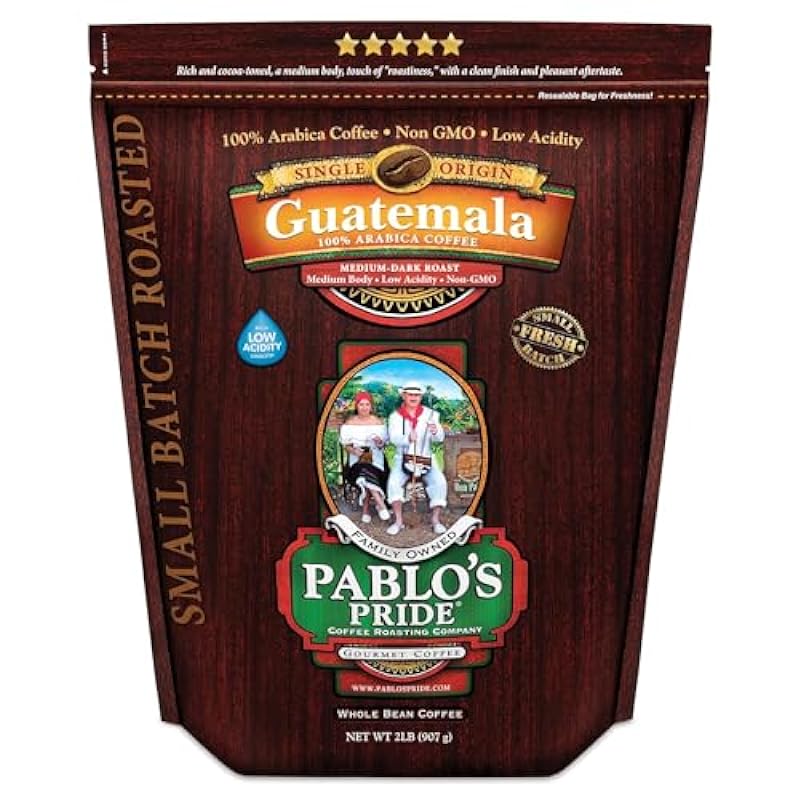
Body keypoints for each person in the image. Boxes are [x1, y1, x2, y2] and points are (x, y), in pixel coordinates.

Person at [386, 381, 447, 535]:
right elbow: (393, 438)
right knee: (393, 483)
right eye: (410, 394)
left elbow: (440, 438)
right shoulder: (395, 416)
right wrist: (407, 438)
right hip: (403, 458)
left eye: (417, 395)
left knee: (440, 482)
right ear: (403, 396)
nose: (413, 397)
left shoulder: (432, 414)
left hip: (426, 458)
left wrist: (435, 431)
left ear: (421, 397)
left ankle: (435, 520)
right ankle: (398, 522)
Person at [339, 391, 391, 523]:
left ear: (371, 406)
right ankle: (380, 504)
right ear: (356, 406)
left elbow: (383, 445)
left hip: (377, 460)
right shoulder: (350, 423)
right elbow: (346, 445)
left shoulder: (378, 422)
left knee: (366, 473)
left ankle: (366, 510)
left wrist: (379, 442)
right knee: (363, 470)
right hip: (356, 460)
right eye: (361, 404)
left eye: (367, 404)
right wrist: (353, 450)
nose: (364, 407)